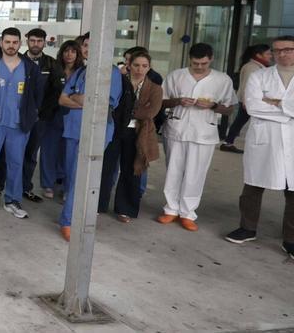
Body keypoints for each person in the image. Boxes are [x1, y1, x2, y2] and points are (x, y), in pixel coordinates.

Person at [224, 35, 294, 257]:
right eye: (277, 50)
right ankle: (247, 228)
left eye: (288, 49)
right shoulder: (259, 76)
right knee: (253, 186)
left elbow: (265, 106)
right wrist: (288, 111)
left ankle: (290, 239)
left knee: (293, 191)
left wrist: (276, 102)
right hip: (265, 140)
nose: (282, 54)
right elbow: (252, 106)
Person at [158, 43, 237, 231]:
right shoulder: (176, 76)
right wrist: (178, 101)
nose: (199, 67)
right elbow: (162, 101)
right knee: (174, 169)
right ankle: (171, 210)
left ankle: (187, 213)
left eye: (203, 63)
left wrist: (212, 106)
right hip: (177, 127)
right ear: (189, 59)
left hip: (204, 132)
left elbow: (230, 108)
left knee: (196, 173)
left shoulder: (222, 80)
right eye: (195, 63)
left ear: (211, 59)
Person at [56, 34, 123, 241]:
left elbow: (102, 104)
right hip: (73, 129)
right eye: (85, 45)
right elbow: (62, 99)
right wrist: (82, 99)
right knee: (71, 176)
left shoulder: (111, 73)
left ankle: (69, 221)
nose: (88, 49)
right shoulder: (80, 71)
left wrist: (76, 98)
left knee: (81, 177)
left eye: (93, 45)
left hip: (95, 131)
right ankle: (72, 215)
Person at [0, 27, 43, 220]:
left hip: (18, 125)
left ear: (20, 43)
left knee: (16, 163)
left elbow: (38, 95)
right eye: (7, 42)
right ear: (1, 43)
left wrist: (32, 114)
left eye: (14, 42)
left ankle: (12, 200)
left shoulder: (30, 68)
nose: (11, 46)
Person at [108, 51, 163, 222]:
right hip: (114, 129)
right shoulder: (119, 83)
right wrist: (129, 112)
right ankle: (99, 204)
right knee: (107, 167)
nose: (140, 69)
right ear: (128, 65)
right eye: (136, 65)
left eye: (144, 66)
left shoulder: (154, 88)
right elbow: (111, 106)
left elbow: (150, 112)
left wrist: (126, 111)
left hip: (137, 133)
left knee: (132, 170)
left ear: (149, 68)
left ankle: (125, 209)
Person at [20, 28, 61, 203]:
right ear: (27, 41)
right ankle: (0, 188)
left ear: (45, 42)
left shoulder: (51, 64)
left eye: (39, 41)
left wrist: (41, 114)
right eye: (33, 40)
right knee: (10, 154)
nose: (35, 44)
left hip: (39, 119)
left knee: (30, 154)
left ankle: (25, 188)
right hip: (18, 117)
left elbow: (56, 92)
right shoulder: (17, 61)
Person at [39, 40, 81, 200]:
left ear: (77, 54)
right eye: (66, 51)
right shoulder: (54, 68)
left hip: (72, 115)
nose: (69, 55)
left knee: (68, 152)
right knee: (49, 150)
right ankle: (48, 184)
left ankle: (65, 185)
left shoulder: (82, 72)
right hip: (52, 114)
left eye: (73, 51)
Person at [222, 44, 273, 153]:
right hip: (249, 101)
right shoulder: (252, 67)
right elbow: (247, 85)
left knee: (240, 121)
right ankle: (228, 142)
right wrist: (246, 101)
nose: (270, 56)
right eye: (268, 53)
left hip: (251, 100)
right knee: (243, 121)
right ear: (259, 55)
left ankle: (228, 142)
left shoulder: (258, 66)